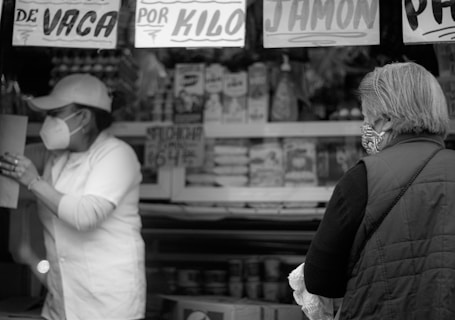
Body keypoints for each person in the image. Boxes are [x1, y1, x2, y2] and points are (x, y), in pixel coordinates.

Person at [303, 61, 455, 319]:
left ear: (385, 120)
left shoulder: (363, 177)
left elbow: (319, 279)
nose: (363, 126)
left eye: (365, 117)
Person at [0, 73, 146, 320]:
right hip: (62, 302)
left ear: (84, 117)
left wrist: (34, 181)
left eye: (55, 114)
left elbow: (85, 215)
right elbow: (9, 156)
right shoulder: (56, 157)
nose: (48, 121)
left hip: (109, 307)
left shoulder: (117, 155)